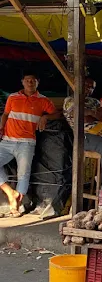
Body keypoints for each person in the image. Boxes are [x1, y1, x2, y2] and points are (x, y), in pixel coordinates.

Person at [0, 72, 60, 217]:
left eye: (33, 80)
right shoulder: (13, 97)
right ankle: (10, 192)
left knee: (23, 174)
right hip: (7, 140)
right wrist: (1, 129)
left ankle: (16, 206)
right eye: (27, 80)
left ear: (37, 83)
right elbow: (6, 115)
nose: (30, 83)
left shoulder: (43, 100)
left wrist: (45, 116)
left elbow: (57, 114)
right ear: (22, 82)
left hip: (27, 143)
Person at [63, 78, 102, 185]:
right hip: (83, 136)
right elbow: (80, 118)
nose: (88, 89)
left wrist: (90, 112)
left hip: (101, 131)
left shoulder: (94, 101)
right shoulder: (70, 101)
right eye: (86, 85)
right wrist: (96, 115)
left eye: (91, 87)